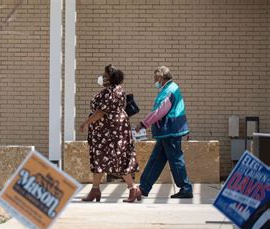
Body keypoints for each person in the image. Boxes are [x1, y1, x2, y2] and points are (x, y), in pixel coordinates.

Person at [79, 64, 140, 203]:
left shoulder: (110, 92)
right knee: (105, 158)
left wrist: (86, 123)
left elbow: (101, 112)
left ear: (111, 79)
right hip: (110, 131)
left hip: (110, 132)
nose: (102, 77)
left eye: (105, 76)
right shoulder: (117, 90)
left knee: (114, 158)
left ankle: (133, 189)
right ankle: (95, 190)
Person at [135, 66, 193, 199]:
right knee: (156, 160)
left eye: (155, 78)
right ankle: (144, 187)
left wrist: (144, 123)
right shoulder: (169, 88)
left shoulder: (169, 90)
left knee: (175, 160)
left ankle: (185, 187)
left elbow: (160, 111)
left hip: (170, 130)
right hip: (167, 131)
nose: (154, 81)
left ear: (161, 78)